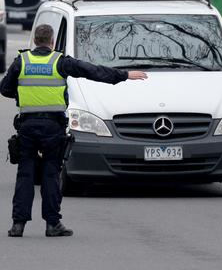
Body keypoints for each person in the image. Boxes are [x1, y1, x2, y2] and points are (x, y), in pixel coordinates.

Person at [1, 24, 148, 238]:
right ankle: (52, 225)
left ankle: (18, 225)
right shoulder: (60, 61)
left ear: (34, 41)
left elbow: (4, 89)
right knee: (51, 173)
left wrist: (25, 93)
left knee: (25, 173)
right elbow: (94, 71)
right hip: (53, 127)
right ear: (52, 42)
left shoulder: (20, 62)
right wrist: (124, 75)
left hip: (28, 126)